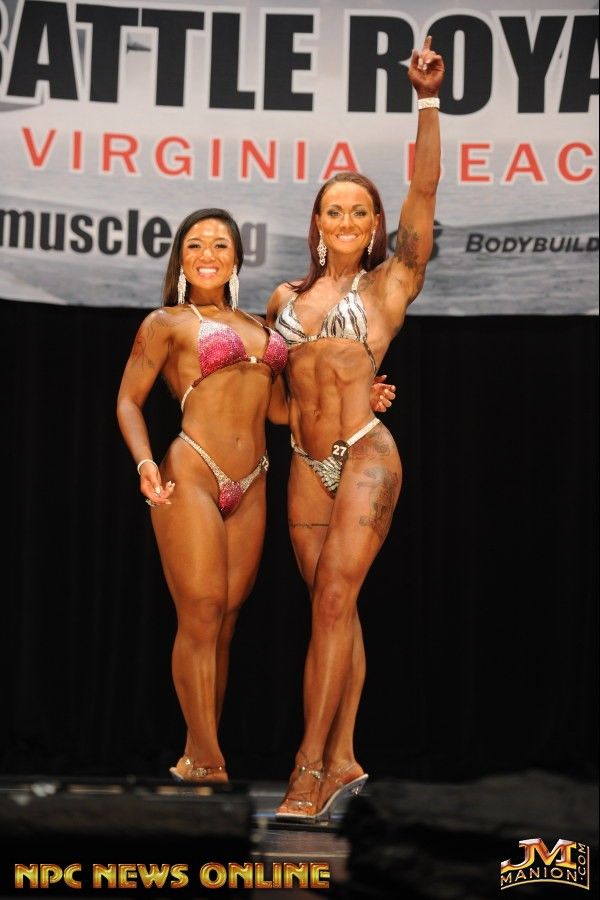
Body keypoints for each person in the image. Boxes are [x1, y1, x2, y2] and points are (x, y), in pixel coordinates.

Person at [116, 208, 393, 783]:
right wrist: (144, 464)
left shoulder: (262, 328)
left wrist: (360, 397)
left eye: (220, 244)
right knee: (200, 613)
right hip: (192, 469)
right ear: (181, 259)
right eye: (196, 245)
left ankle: (195, 756)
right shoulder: (166, 322)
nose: (208, 254)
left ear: (237, 258)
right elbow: (127, 401)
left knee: (226, 621)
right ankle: (207, 758)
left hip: (253, 480)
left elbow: (283, 410)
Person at [266, 37, 444, 819]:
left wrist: (427, 101)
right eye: (333, 209)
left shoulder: (389, 285)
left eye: (359, 211)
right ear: (317, 222)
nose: (345, 219)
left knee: (335, 601)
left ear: (375, 225)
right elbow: (275, 402)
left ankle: (308, 769)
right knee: (330, 607)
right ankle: (343, 757)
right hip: (303, 463)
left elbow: (424, 187)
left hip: (366, 455)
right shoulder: (283, 299)